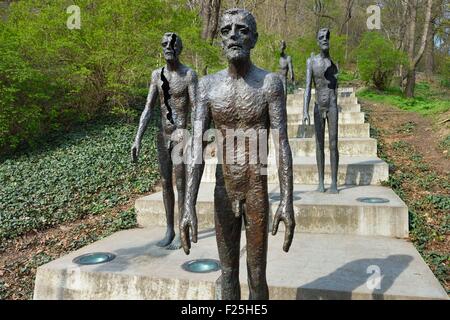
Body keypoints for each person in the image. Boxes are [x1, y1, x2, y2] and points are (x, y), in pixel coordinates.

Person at [180, 8, 295, 300]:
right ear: (220, 40)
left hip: (256, 190)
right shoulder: (207, 87)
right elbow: (195, 145)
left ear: (254, 38)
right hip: (224, 190)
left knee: (257, 274)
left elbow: (282, 143)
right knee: (228, 272)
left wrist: (287, 201)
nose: (233, 35)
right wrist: (188, 204)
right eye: (226, 30)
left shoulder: (270, 84)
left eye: (242, 29)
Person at [131, 33, 198, 250]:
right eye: (164, 44)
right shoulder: (156, 75)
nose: (168, 47)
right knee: (165, 183)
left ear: (179, 48)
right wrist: (137, 139)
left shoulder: (189, 75)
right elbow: (148, 108)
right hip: (162, 136)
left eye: (172, 44)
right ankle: (169, 229)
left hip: (180, 136)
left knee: (180, 184)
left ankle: (181, 230)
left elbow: (197, 110)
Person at [303, 28, 339, 194]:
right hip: (318, 106)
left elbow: (335, 89)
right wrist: (305, 110)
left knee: (333, 143)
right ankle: (321, 182)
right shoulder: (311, 62)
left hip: (331, 105)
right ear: (317, 41)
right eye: (321, 37)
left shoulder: (334, 64)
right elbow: (308, 88)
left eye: (327, 37)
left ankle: (333, 183)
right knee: (319, 144)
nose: (325, 39)